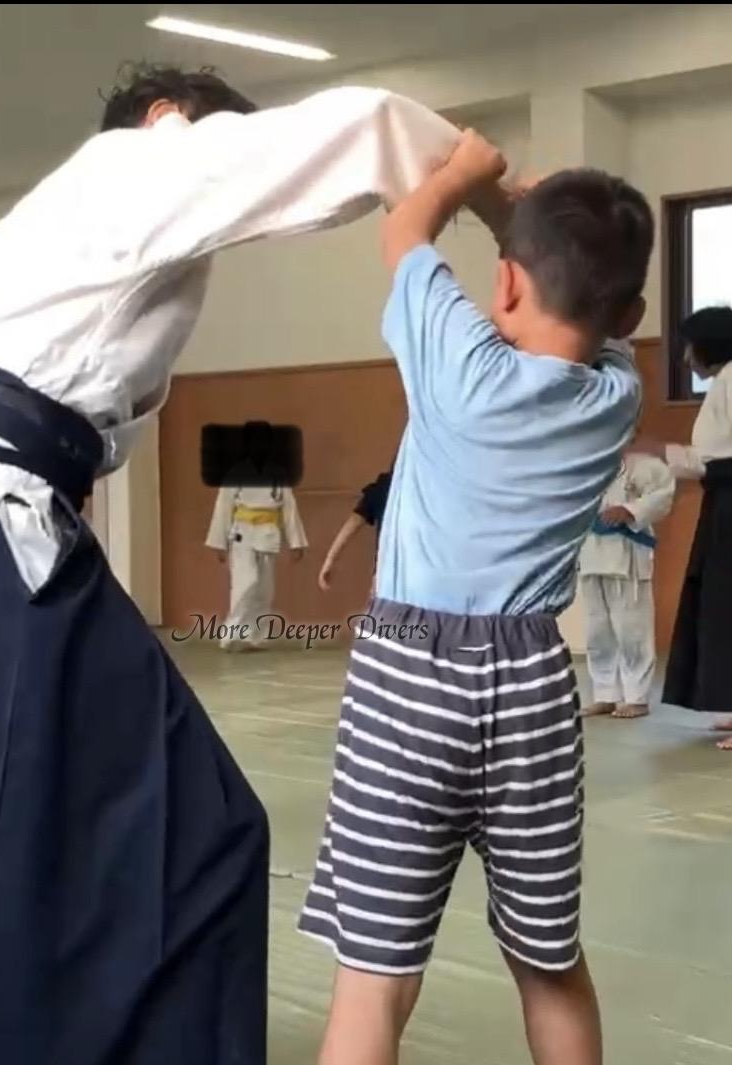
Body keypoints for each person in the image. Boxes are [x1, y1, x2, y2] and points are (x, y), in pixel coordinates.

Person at [0, 65, 465, 1065]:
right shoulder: (132, 166)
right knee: (197, 832)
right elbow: (355, 129)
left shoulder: (36, 247)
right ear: (166, 119)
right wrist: (480, 180)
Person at [299, 136, 653, 1065]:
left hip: (407, 679)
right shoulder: (616, 394)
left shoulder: (459, 364)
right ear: (631, 313)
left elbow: (406, 231)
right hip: (533, 682)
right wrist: (511, 212)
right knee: (548, 958)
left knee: (375, 976)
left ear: (502, 284)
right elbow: (572, 302)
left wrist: (465, 175)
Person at [633, 306, 732, 749]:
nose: (687, 358)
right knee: (719, 604)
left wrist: (663, 451)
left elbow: (713, 460)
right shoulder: (725, 381)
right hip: (723, 502)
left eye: (691, 347)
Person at [579, 449, 674, 719]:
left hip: (627, 557)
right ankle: (604, 694)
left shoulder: (645, 465)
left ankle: (637, 697)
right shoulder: (586, 463)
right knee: (597, 631)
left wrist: (631, 510)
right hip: (590, 553)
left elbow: (663, 495)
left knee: (632, 630)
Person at [205, 421, 307, 650]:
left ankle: (255, 637)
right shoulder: (236, 473)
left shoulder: (278, 474)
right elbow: (223, 508)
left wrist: (296, 543)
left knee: (264, 588)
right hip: (242, 533)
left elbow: (289, 509)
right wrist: (219, 543)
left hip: (268, 534)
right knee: (245, 582)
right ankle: (231, 635)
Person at [318, 468, 394, 591]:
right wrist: (330, 560)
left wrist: (330, 560)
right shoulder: (389, 486)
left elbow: (355, 520)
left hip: (386, 579)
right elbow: (355, 519)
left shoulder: (386, 485)